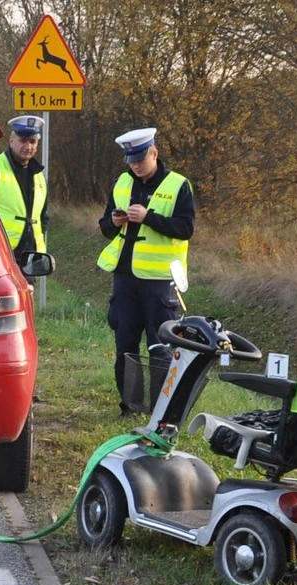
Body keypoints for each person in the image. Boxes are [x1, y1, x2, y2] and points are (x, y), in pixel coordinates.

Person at [96, 127, 196, 415]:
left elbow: (185, 229)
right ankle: (130, 407)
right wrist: (113, 223)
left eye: (140, 159)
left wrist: (149, 218)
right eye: (131, 160)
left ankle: (159, 410)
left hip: (160, 282)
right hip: (125, 279)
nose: (136, 165)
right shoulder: (121, 184)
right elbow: (105, 227)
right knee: (125, 345)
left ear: (155, 153)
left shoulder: (178, 185)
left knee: (160, 348)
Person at [0, 115, 48, 260]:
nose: (28, 146)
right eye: (23, 141)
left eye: (32, 141)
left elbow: (43, 217)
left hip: (30, 257)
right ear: (11, 140)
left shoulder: (39, 176)